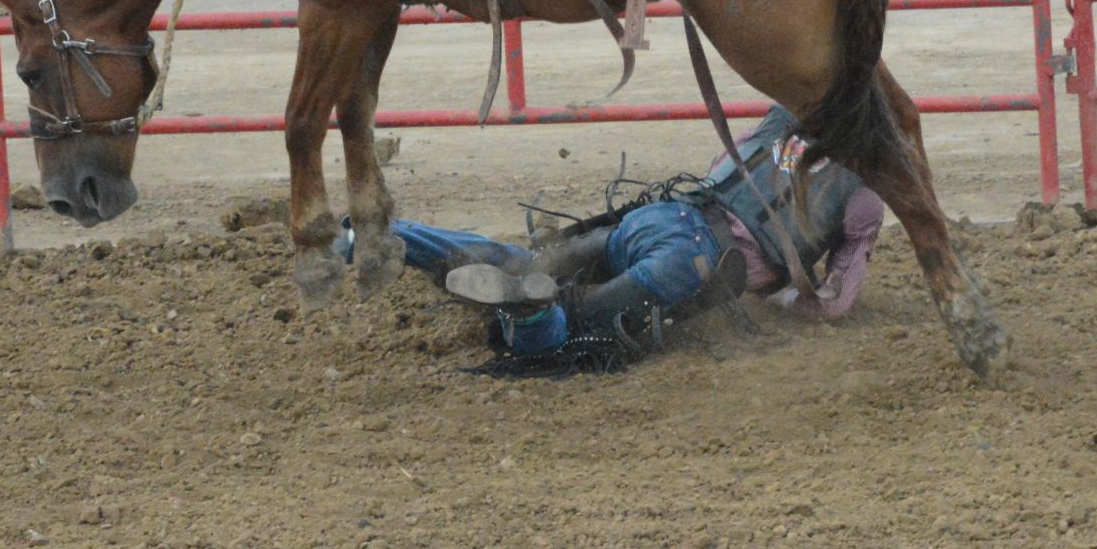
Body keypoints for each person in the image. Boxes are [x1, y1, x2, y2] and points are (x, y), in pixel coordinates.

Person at [344, 106, 885, 372]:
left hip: (659, 216)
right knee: (576, 332)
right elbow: (832, 305)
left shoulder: (779, 121)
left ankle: (386, 234)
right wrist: (786, 294)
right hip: (694, 261)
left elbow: (725, 166)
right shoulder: (864, 196)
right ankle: (535, 313)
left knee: (535, 261)